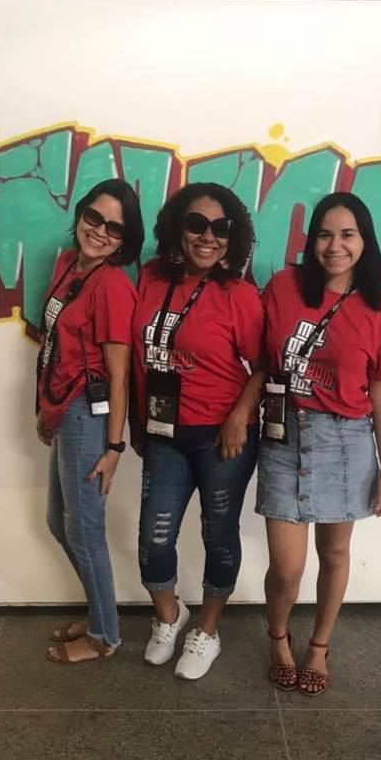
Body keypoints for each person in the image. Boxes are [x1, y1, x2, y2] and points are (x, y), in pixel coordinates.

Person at [257, 191, 381, 696]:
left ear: (364, 241)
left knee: (335, 552)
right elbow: (258, 358)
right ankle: (278, 636)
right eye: (324, 234)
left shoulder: (380, 311)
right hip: (284, 434)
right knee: (287, 567)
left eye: (347, 234)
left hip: (346, 440)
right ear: (311, 240)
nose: (334, 245)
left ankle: (319, 647)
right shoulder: (282, 288)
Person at [130, 182, 264, 680]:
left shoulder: (238, 295)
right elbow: (135, 356)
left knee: (218, 534)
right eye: (196, 224)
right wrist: (135, 421)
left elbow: (263, 365)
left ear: (234, 236)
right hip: (164, 432)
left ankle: (207, 629)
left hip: (221, 437)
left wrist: (237, 417)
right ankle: (170, 615)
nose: (208, 237)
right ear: (176, 228)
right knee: (154, 538)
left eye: (221, 227)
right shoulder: (150, 278)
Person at [40, 179, 144, 664]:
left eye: (114, 228)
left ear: (125, 239)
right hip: (63, 409)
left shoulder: (113, 286)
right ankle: (100, 612)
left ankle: (105, 636)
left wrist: (114, 448)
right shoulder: (67, 264)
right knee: (58, 523)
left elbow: (119, 377)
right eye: (95, 218)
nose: (100, 231)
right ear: (81, 213)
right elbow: (54, 345)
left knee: (83, 530)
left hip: (88, 415)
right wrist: (46, 408)